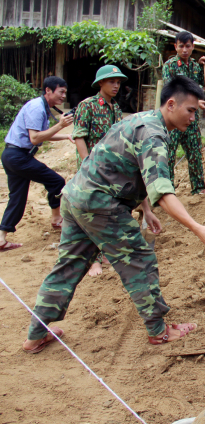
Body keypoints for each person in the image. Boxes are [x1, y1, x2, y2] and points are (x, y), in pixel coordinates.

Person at [22, 76, 205, 354]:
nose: (194, 117)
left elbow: (126, 167)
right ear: (171, 104)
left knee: (67, 267)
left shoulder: (140, 120)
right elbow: (164, 193)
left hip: (76, 196)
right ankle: (158, 331)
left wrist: (145, 209)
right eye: (191, 110)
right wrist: (197, 227)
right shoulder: (154, 134)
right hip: (100, 204)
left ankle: (36, 335)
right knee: (139, 261)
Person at [0, 77, 74, 252]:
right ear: (48, 90)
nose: (64, 96)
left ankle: (1, 238)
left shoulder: (41, 106)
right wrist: (61, 126)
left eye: (65, 92)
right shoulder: (36, 108)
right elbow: (35, 138)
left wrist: (64, 136)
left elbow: (42, 135)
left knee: (17, 198)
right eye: (61, 92)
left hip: (12, 155)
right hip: (18, 156)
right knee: (56, 181)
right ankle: (56, 219)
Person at [72, 65, 127, 277]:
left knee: (110, 212)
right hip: (92, 170)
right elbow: (79, 136)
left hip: (111, 170)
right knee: (91, 213)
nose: (116, 85)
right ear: (100, 83)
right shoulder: (87, 105)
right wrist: (86, 165)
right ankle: (93, 261)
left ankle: (106, 253)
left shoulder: (116, 109)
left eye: (118, 82)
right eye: (112, 81)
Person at [162, 30, 205, 195]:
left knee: (195, 152)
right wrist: (196, 102)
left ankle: (198, 188)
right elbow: (172, 92)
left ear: (192, 47)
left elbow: (202, 86)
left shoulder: (196, 67)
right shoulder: (170, 66)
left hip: (191, 119)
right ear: (175, 46)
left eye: (187, 46)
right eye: (181, 46)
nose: (184, 50)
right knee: (168, 154)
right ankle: (167, 191)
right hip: (174, 120)